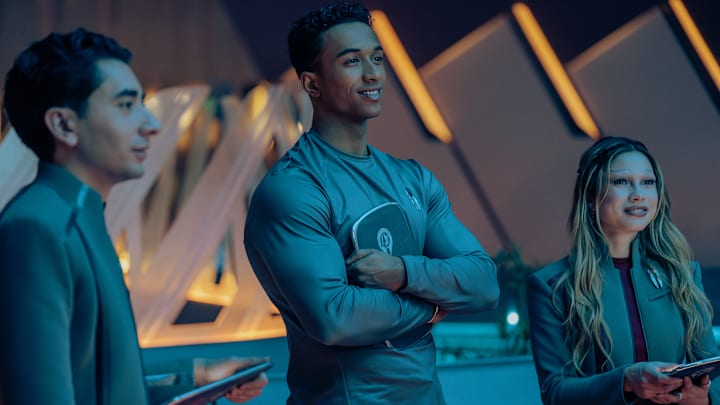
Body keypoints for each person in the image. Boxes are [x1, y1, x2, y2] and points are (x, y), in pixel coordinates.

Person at [243, 3, 499, 404]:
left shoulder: (413, 178)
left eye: (377, 58)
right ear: (312, 84)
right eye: (352, 61)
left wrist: (402, 272)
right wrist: (434, 306)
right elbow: (336, 317)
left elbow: (483, 283)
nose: (373, 73)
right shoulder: (294, 189)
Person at [0, 28, 268, 404]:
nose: (152, 125)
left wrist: (200, 377)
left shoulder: (72, 216)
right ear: (64, 125)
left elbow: (97, 382)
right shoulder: (37, 228)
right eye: (126, 105)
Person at [527, 136, 720, 405]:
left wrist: (705, 398)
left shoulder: (683, 274)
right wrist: (627, 380)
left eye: (648, 182)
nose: (638, 194)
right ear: (591, 195)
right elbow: (555, 393)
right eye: (621, 181)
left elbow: (713, 371)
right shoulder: (553, 286)